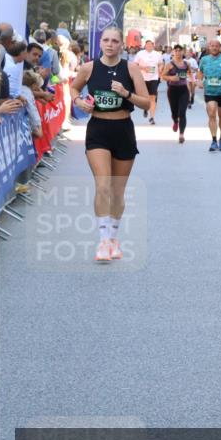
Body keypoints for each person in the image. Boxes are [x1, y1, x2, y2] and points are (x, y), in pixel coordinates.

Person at [69, 26, 150, 263]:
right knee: (103, 185)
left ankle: (113, 237)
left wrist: (126, 93)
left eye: (115, 41)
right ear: (100, 43)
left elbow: (146, 103)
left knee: (117, 191)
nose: (110, 44)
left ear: (121, 45)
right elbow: (73, 87)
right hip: (98, 130)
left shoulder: (131, 68)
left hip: (123, 130)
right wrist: (78, 101)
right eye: (106, 40)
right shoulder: (89, 67)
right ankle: (103, 240)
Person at [198, 38, 221, 152]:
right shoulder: (204, 59)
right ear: (209, 47)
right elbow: (200, 72)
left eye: (216, 46)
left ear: (220, 48)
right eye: (212, 46)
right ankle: (214, 140)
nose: (214, 48)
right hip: (209, 91)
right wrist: (199, 81)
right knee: (212, 113)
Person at [160, 44, 191, 144]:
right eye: (176, 51)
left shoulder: (187, 64)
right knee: (174, 112)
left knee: (182, 112)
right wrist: (171, 78)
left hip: (183, 90)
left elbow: (190, 74)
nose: (178, 52)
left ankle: (181, 134)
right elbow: (162, 76)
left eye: (179, 50)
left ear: (183, 52)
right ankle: (175, 121)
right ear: (173, 52)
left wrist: (193, 83)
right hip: (172, 90)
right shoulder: (170, 64)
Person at [133, 40, 163, 124]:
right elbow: (135, 64)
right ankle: (145, 108)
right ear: (145, 46)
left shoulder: (157, 54)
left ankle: (152, 117)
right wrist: (143, 68)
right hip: (143, 78)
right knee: (145, 97)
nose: (149, 46)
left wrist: (160, 68)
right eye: (147, 45)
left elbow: (161, 63)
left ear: (153, 46)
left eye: (150, 45)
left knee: (153, 97)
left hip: (154, 78)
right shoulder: (140, 54)